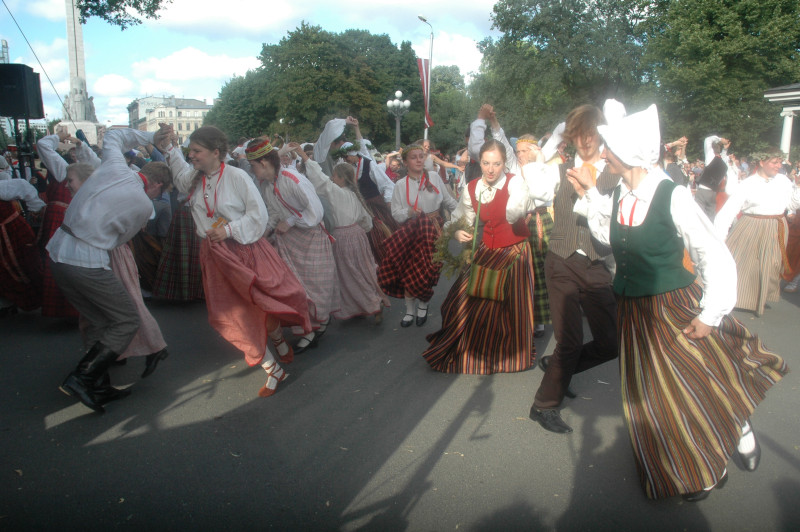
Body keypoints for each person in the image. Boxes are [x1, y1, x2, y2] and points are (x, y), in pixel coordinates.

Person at [572, 103, 788, 501]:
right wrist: (589, 197)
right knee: (654, 396)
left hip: (673, 304)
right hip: (636, 311)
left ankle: (724, 439)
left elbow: (712, 252)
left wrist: (710, 313)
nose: (602, 155)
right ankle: (689, 462)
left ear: (631, 154)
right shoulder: (620, 191)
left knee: (692, 380)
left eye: (609, 149)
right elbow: (611, 238)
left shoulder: (672, 195)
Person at [161, 126, 311, 397]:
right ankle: (272, 367)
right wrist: (170, 147)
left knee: (260, 304)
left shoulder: (237, 176)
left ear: (216, 152)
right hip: (215, 254)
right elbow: (180, 172)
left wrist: (228, 230)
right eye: (190, 151)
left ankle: (276, 337)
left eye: (197, 151)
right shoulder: (195, 177)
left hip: (243, 249)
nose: (191, 155)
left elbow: (259, 215)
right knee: (233, 315)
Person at [522, 103, 620, 434]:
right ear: (572, 135)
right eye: (579, 133)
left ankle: (560, 368)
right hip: (561, 259)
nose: (586, 140)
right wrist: (552, 144)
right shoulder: (559, 168)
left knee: (611, 341)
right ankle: (543, 405)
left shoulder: (615, 172)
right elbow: (534, 186)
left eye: (591, 133)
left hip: (596, 264)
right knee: (569, 340)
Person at [48, 128, 161, 413]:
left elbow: (112, 136)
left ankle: (98, 383)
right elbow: (119, 240)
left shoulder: (113, 165)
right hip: (85, 261)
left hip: (58, 251)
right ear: (159, 186)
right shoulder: (144, 205)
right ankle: (83, 377)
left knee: (98, 319)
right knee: (125, 319)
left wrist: (147, 136)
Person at [423, 140, 535, 373]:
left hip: (514, 251)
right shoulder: (472, 187)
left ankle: (508, 354)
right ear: (479, 162)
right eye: (486, 163)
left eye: (497, 163)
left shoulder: (516, 183)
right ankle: (471, 349)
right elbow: (459, 218)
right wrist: (455, 231)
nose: (491, 169)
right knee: (459, 300)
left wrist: (516, 205)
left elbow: (516, 208)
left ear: (505, 163)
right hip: (486, 249)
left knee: (506, 307)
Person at [65, 158, 172, 378]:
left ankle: (153, 347)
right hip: (102, 252)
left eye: (71, 180)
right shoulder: (122, 190)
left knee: (128, 304)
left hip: (113, 252)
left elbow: (134, 224)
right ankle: (112, 356)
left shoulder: (133, 197)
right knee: (104, 312)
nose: (67, 185)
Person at [248, 135, 337, 354]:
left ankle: (320, 323)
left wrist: (290, 221)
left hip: (311, 238)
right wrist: (261, 234)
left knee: (316, 286)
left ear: (264, 163)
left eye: (252, 165)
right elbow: (273, 214)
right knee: (295, 288)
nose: (252, 170)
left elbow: (315, 212)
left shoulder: (292, 179)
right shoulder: (268, 185)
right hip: (288, 243)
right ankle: (307, 330)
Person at [291, 143, 390, 321]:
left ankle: (372, 303)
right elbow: (365, 222)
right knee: (363, 270)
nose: (332, 178)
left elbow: (320, 179)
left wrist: (305, 157)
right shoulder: (355, 195)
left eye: (335, 175)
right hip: (358, 236)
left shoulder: (337, 192)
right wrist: (361, 232)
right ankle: (364, 303)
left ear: (342, 179)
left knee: (349, 274)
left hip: (343, 238)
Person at [378, 144, 457, 327]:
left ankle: (423, 306)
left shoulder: (435, 177)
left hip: (432, 229)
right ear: (405, 162)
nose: (419, 160)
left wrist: (463, 218)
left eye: (421, 156)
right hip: (411, 231)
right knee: (408, 270)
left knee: (427, 270)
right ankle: (409, 310)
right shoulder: (400, 185)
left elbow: (449, 202)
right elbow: (396, 213)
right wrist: (410, 213)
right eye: (414, 157)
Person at [714, 148, 800, 316]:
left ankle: (757, 298)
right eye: (774, 162)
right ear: (762, 162)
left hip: (776, 226)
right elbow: (730, 209)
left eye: (779, 162)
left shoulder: (782, 180)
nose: (778, 166)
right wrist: (720, 235)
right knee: (742, 262)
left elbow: (792, 205)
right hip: (752, 224)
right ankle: (735, 298)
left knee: (770, 265)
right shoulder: (749, 183)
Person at [0, 178, 45, 315]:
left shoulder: (3, 187)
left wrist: (35, 208)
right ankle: (8, 303)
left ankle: (40, 297)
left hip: (13, 231)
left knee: (27, 265)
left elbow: (24, 187)